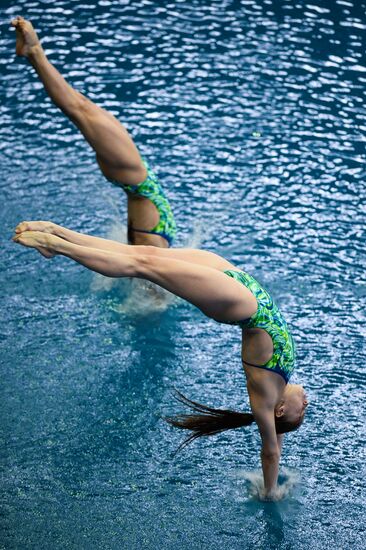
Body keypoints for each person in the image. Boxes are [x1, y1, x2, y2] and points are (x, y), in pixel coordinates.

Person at [12, 221, 308, 499]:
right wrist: (281, 436)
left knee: (142, 266)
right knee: (146, 253)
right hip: (241, 282)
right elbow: (279, 439)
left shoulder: (264, 400)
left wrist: (270, 493)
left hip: (240, 304)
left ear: (280, 410)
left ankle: (57, 245)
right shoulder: (280, 390)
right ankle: (57, 233)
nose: (306, 405)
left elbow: (271, 451)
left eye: (301, 413)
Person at [11, 16, 176, 248]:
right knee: (81, 106)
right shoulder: (153, 252)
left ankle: (34, 52)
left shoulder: (149, 252)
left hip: (137, 180)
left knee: (79, 109)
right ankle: (34, 52)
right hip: (138, 181)